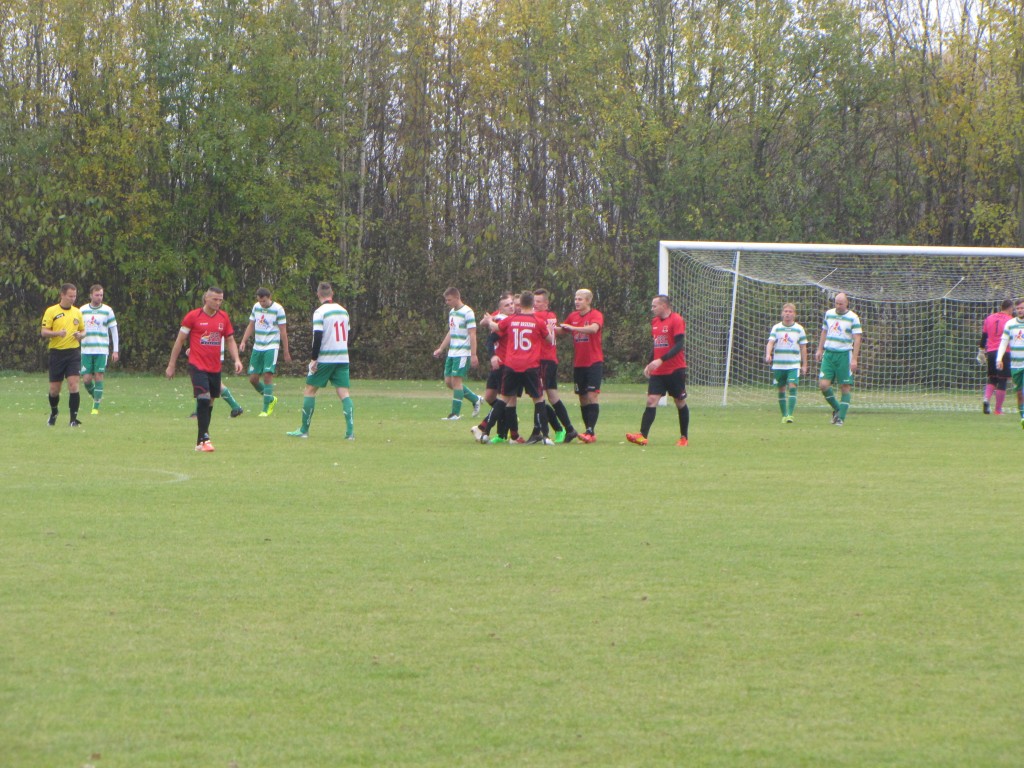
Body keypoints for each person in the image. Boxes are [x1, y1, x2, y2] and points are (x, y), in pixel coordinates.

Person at [165, 287, 243, 452]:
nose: (218, 303)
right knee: (203, 398)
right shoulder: (193, 316)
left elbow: (230, 340)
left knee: (210, 401)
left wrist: (236, 359)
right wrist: (172, 364)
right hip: (197, 365)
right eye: (215, 299)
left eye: (221, 300)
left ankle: (202, 440)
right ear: (206, 298)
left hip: (214, 367)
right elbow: (179, 341)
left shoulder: (223, 317)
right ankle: (204, 439)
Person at [471, 291, 554, 445]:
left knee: (503, 399)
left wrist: (489, 320)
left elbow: (496, 327)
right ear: (533, 304)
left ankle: (485, 432)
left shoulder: (511, 319)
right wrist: (549, 329)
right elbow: (549, 340)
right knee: (539, 400)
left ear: (520, 304)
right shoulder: (538, 321)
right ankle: (545, 436)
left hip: (511, 365)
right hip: (530, 366)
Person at [287, 282, 354, 440]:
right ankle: (350, 432)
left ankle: (304, 430)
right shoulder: (344, 311)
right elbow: (347, 334)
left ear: (318, 294)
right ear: (333, 293)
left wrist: (314, 359)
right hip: (343, 357)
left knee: (310, 390)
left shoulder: (320, 312)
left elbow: (318, 336)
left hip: (325, 358)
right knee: (344, 393)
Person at [626, 295, 690, 447]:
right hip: (659, 372)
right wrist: (650, 364)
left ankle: (684, 438)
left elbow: (679, 344)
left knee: (679, 401)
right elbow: (656, 346)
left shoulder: (676, 320)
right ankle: (642, 436)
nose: (652, 309)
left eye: (654, 306)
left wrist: (661, 360)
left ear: (664, 306)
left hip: (675, 369)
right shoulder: (654, 322)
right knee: (651, 400)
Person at [533, 288, 579, 443]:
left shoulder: (537, 316)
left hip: (543, 360)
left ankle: (542, 431)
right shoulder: (551, 316)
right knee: (550, 396)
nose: (535, 304)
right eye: (534, 301)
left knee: (541, 395)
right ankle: (568, 429)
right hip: (549, 359)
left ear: (546, 303)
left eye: (539, 301)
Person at [239, 287, 291, 416]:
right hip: (258, 346)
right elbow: (251, 324)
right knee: (253, 379)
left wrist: (286, 351)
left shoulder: (278, 309)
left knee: (268, 375)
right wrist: (243, 341)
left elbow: (283, 331)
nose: (262, 304)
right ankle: (270, 398)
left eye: (264, 301)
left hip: (271, 346)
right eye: (260, 301)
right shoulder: (256, 307)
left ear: (269, 298)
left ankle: (265, 409)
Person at [560, 288, 604, 442]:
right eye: (576, 299)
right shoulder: (572, 316)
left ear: (588, 301)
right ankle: (587, 432)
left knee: (592, 395)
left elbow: (593, 329)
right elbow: (562, 330)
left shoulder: (595, 315)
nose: (577, 302)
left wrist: (574, 328)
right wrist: (548, 327)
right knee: (583, 398)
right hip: (579, 363)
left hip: (594, 362)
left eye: (580, 299)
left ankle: (590, 431)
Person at [432, 287, 481, 420]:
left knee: (457, 382)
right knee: (449, 382)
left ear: (457, 298)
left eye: (449, 300)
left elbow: (472, 334)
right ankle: (475, 399)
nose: (447, 302)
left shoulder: (468, 312)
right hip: (452, 352)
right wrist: (441, 348)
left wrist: (473, 354)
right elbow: (451, 332)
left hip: (463, 352)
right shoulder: (452, 312)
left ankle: (454, 414)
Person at [40, 283, 86, 427]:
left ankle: (73, 420)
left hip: (73, 353)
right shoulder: (51, 311)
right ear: (62, 295)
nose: (73, 299)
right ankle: (54, 413)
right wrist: (57, 333)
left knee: (73, 385)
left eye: (75, 296)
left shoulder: (77, 312)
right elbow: (44, 332)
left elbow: (83, 331)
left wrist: (80, 335)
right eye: (70, 296)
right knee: (54, 390)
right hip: (57, 354)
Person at [815, 292, 863, 426]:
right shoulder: (829, 314)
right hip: (829, 354)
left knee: (845, 386)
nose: (838, 306)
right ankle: (838, 409)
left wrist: (854, 359)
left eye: (841, 303)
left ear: (847, 303)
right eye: (836, 303)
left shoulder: (853, 317)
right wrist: (820, 349)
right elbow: (824, 331)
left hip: (844, 355)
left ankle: (841, 418)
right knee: (823, 385)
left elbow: (857, 338)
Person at [764, 303, 808, 423]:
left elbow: (803, 347)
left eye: (790, 311)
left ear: (794, 314)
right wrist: (768, 354)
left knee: (792, 386)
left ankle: (789, 415)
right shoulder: (776, 327)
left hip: (793, 364)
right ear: (782, 313)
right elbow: (771, 342)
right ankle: (784, 415)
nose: (788, 313)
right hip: (779, 364)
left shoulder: (799, 329)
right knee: (781, 389)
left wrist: (804, 365)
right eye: (786, 311)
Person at [79, 284, 119, 415]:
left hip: (101, 350)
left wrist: (115, 350)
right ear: (91, 295)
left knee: (99, 376)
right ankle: (97, 397)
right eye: (97, 295)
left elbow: (114, 330)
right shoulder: (82, 310)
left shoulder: (108, 310)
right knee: (86, 380)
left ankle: (95, 408)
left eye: (101, 295)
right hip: (86, 350)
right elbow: (77, 328)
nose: (99, 297)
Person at [980, 299, 1014, 415]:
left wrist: (981, 351)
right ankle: (998, 409)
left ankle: (986, 399)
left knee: (992, 378)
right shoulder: (1010, 320)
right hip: (1004, 352)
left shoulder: (989, 318)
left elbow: (984, 337)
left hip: (991, 352)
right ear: (1010, 308)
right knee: (1002, 380)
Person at [995, 298, 1024, 425]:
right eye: (1018, 308)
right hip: (1015, 365)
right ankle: (1022, 416)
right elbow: (1003, 342)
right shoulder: (1010, 324)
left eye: (1022, 308)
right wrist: (999, 358)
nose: (1020, 310)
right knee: (1019, 392)